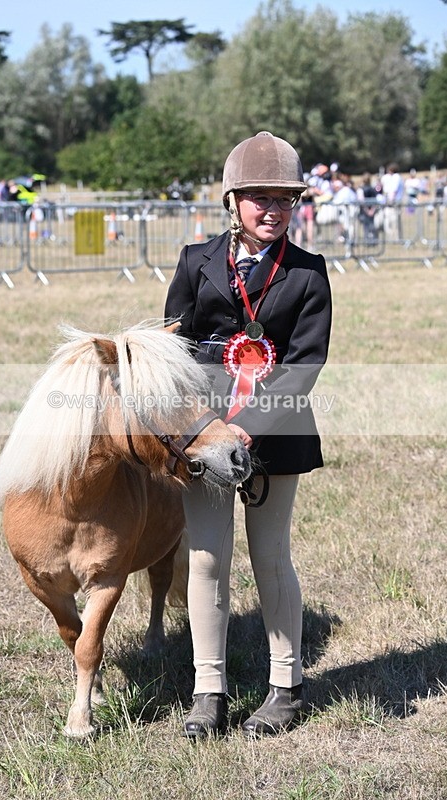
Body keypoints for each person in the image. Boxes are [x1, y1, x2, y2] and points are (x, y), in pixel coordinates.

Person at [164, 131, 332, 739]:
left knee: (270, 553)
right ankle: (208, 690)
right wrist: (208, 428)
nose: (273, 209)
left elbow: (304, 366)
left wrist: (247, 426)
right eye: (260, 197)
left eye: (285, 199)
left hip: (276, 431)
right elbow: (172, 350)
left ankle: (286, 686)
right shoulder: (195, 261)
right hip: (205, 437)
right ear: (233, 201)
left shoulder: (309, 274)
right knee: (207, 557)